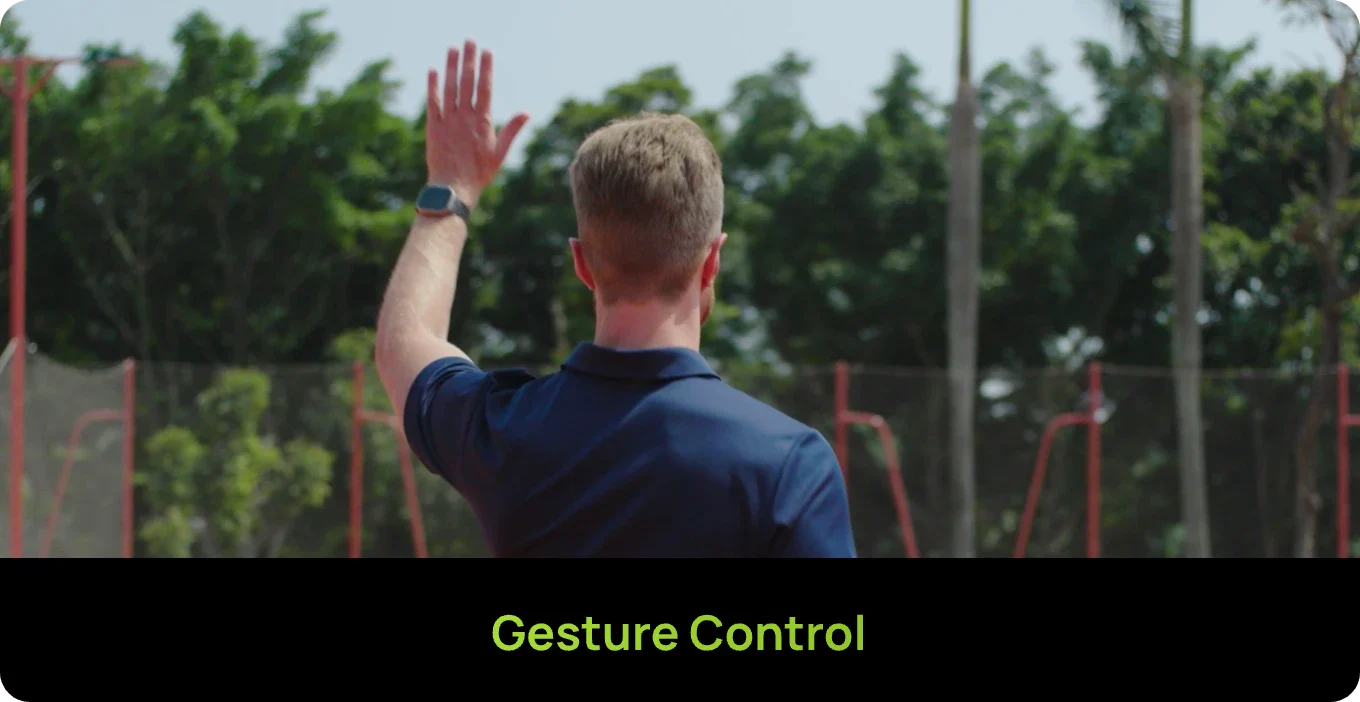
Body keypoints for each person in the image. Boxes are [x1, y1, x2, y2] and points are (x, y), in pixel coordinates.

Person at [375, 40, 855, 557]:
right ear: (712, 260)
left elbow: (404, 342)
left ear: (582, 263)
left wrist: (451, 188)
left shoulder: (505, 431)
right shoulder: (789, 465)